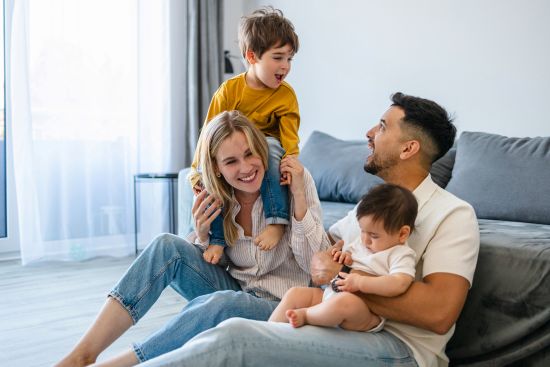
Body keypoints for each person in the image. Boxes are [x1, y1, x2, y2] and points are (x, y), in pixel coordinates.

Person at [137, 92, 480, 367]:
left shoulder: (453, 215)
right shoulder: (369, 208)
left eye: (383, 126)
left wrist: (345, 279)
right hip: (340, 323)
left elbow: (438, 313)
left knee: (236, 336)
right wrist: (332, 270)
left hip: (400, 348)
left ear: (409, 148)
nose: (370, 133)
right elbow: (317, 266)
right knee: (230, 326)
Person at [55, 111, 329, 367]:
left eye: (250, 154)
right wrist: (201, 236)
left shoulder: (291, 183)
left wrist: (300, 201)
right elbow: (216, 263)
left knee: (222, 303)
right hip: (236, 289)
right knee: (166, 245)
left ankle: (121, 364)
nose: (246, 167)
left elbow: (317, 270)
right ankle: (83, 354)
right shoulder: (217, 197)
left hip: (281, 304)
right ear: (217, 167)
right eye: (231, 161)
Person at [189, 6, 301, 265]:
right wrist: (198, 169)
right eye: (278, 57)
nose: (285, 66)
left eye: (289, 59)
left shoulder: (285, 95)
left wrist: (291, 159)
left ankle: (276, 220)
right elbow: (210, 133)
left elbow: (289, 136)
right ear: (252, 56)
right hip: (233, 148)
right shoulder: (229, 90)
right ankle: (216, 238)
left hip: (264, 150)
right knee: (206, 178)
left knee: (272, 147)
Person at [269, 183, 417, 333]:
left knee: (344, 302)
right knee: (296, 293)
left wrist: (360, 282)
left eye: (374, 236)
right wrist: (342, 257)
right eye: (363, 231)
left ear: (402, 234)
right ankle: (267, 331)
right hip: (331, 296)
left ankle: (306, 315)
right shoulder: (362, 243)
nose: (365, 240)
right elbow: (350, 259)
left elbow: (399, 283)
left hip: (364, 312)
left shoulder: (400, 254)